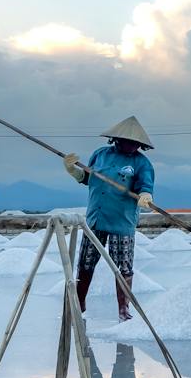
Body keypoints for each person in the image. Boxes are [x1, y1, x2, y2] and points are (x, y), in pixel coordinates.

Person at [62, 116, 154, 322]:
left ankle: (123, 308)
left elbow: (145, 186)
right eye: (127, 142)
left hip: (122, 221)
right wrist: (73, 171)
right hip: (96, 218)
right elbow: (88, 179)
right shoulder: (100, 155)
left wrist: (145, 195)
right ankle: (80, 302)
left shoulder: (141, 163)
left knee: (123, 266)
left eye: (135, 143)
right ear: (116, 139)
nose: (131, 146)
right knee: (85, 262)